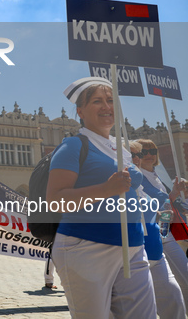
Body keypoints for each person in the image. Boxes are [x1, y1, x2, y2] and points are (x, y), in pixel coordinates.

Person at [47, 77, 156, 318]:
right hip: (86, 247)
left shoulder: (121, 148)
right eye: (97, 101)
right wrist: (104, 190)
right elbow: (54, 200)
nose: (106, 106)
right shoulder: (73, 145)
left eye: (110, 100)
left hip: (133, 247)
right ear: (80, 111)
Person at [130, 140, 186, 318]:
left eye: (152, 151)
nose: (147, 155)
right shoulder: (137, 176)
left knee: (177, 283)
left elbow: (163, 205)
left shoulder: (156, 175)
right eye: (141, 152)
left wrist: (175, 194)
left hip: (164, 230)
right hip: (153, 235)